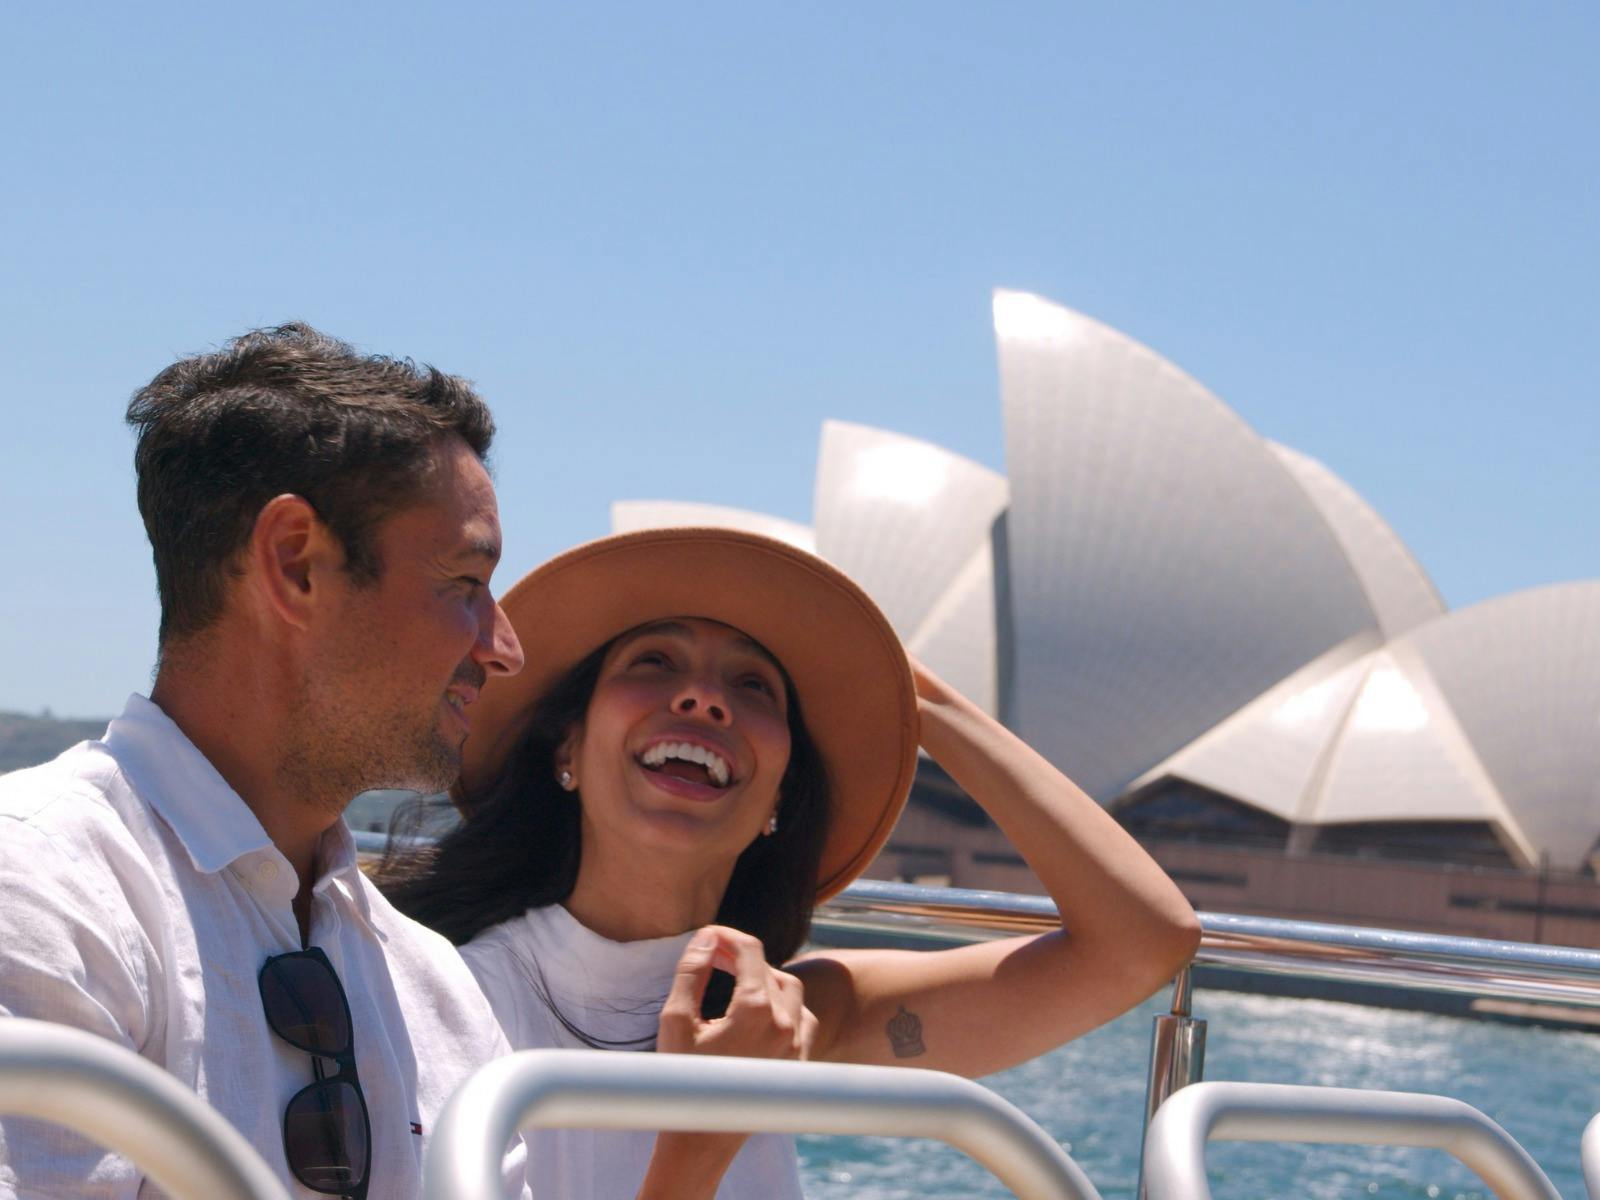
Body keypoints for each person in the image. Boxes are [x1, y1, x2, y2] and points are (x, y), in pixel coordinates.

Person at [382, 526, 1202, 1198]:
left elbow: (1143, 942)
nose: (705, 699)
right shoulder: (439, 993)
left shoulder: (794, 1015)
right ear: (567, 745)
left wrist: (923, 706)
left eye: (754, 686)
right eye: (654, 663)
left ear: (779, 797)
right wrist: (700, 1140)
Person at [0, 323, 535, 1199]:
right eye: (466, 585)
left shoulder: (434, 982)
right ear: (294, 563)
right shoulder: (36, 891)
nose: (503, 647)